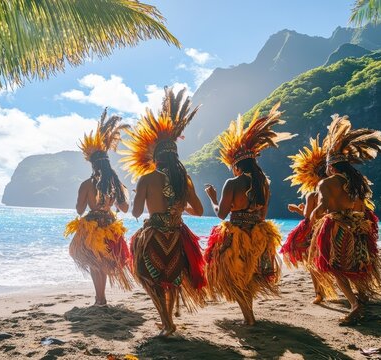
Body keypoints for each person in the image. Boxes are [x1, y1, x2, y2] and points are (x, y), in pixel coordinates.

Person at [121, 87, 206, 337]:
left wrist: (138, 194)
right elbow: (199, 211)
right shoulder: (184, 178)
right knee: (172, 280)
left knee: (151, 280)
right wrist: (179, 209)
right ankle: (169, 322)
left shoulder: (147, 178)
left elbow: (136, 212)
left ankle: (167, 323)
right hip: (178, 235)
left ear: (156, 157)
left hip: (154, 235)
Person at [204, 103, 296, 325]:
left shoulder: (233, 182)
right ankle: (249, 315)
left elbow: (221, 215)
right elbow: (263, 215)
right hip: (259, 233)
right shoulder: (263, 184)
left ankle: (249, 318)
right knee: (251, 276)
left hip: (236, 235)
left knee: (235, 277)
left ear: (236, 165)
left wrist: (212, 198)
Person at [308, 114, 381, 325]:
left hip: (337, 227)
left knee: (334, 267)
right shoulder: (357, 183)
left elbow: (323, 207)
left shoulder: (327, 183)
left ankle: (354, 304)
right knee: (359, 264)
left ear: (331, 167)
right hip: (360, 226)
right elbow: (362, 207)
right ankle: (362, 298)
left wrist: (313, 215)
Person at [64, 109, 132, 306]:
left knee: (95, 264)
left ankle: (99, 298)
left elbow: (79, 209)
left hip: (92, 226)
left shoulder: (86, 184)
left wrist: (84, 201)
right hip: (110, 225)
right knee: (102, 264)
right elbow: (125, 208)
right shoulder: (115, 184)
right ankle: (100, 298)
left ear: (93, 166)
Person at [281, 135, 336, 303]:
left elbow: (309, 216)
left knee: (313, 263)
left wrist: (297, 210)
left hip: (316, 232)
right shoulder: (336, 190)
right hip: (335, 227)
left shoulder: (313, 194)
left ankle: (319, 293)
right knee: (334, 261)